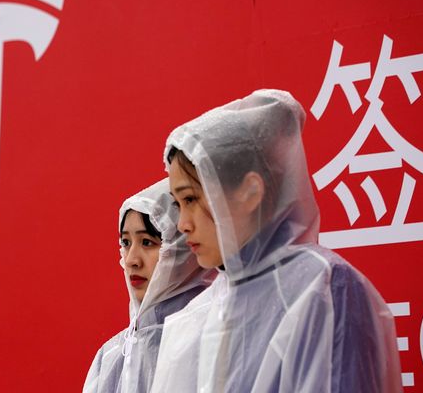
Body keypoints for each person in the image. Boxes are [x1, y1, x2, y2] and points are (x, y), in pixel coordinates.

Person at [150, 89, 402, 392]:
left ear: (250, 192)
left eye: (191, 199)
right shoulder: (193, 317)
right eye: (178, 204)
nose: (183, 225)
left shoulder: (323, 287)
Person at [83, 179, 215, 393]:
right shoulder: (111, 358)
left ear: (182, 249)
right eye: (125, 243)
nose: (131, 260)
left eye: (147, 242)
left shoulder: (213, 337)